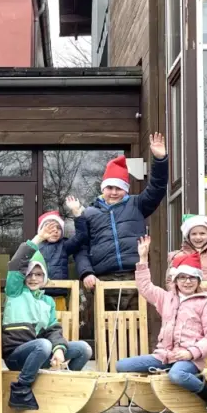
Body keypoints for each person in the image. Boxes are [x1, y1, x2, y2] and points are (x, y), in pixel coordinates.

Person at [116, 236, 207, 413]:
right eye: (182, 277)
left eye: (192, 278)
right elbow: (145, 288)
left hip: (189, 359)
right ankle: (157, 392)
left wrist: (191, 353)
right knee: (122, 365)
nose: (187, 282)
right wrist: (142, 259)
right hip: (164, 356)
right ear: (175, 280)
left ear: (198, 280)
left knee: (178, 374)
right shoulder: (167, 298)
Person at [3, 226, 93, 411]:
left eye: (39, 274)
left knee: (83, 349)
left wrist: (59, 350)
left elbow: (53, 331)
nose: (34, 279)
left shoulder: (48, 301)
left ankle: (62, 386)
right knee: (43, 344)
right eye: (29, 274)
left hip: (39, 353)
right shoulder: (15, 291)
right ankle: (21, 389)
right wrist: (37, 239)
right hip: (17, 355)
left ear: (45, 277)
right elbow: (16, 264)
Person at [76, 133, 168, 311]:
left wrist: (160, 159)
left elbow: (157, 188)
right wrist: (86, 272)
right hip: (102, 279)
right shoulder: (89, 213)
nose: (113, 192)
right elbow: (81, 248)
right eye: (109, 187)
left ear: (125, 189)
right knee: (105, 330)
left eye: (118, 188)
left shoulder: (138, 204)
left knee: (134, 328)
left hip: (133, 276)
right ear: (103, 188)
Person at [37, 196, 88, 295]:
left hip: (58, 294)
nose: (55, 231)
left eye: (58, 228)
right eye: (51, 228)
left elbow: (81, 236)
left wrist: (77, 213)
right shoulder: (36, 247)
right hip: (38, 295)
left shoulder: (64, 246)